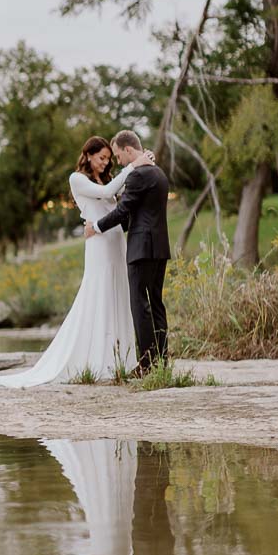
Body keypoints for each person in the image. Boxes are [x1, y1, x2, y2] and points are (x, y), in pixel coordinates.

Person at [0, 135, 152, 388]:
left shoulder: (106, 178)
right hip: (98, 245)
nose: (106, 164)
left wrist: (141, 164)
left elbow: (121, 191)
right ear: (87, 155)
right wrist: (134, 164)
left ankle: (123, 358)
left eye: (109, 159)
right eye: (101, 158)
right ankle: (97, 359)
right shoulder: (77, 179)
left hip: (115, 241)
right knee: (99, 293)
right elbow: (108, 192)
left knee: (119, 293)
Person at [85, 129, 170, 373]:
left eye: (119, 155)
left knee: (139, 304)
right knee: (155, 304)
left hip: (141, 249)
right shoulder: (158, 173)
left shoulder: (137, 176)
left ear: (129, 149)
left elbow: (124, 213)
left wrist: (97, 226)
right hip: (160, 248)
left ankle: (146, 364)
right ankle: (161, 361)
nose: (117, 160)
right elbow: (134, 213)